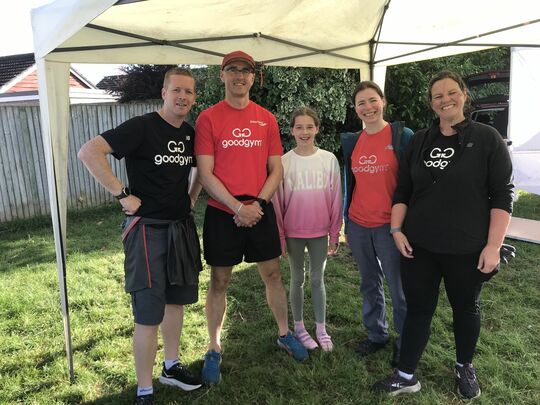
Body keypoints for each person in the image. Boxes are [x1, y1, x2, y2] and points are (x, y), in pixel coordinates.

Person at [372, 71, 514, 399]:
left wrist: (493, 246)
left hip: (467, 247)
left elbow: (503, 194)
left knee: (465, 309)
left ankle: (464, 365)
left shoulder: (487, 138)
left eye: (452, 92)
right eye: (438, 95)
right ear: (431, 103)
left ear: (464, 95)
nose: (445, 99)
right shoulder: (421, 139)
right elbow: (404, 189)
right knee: (418, 309)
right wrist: (396, 229)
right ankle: (406, 374)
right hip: (419, 246)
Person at [78, 67, 203, 405]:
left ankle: (172, 366)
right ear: (163, 92)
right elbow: (89, 152)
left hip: (181, 228)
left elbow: (202, 170)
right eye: (177, 90)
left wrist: (191, 198)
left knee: (176, 302)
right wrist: (122, 194)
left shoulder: (190, 133)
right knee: (148, 312)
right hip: (147, 231)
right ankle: (145, 389)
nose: (183, 97)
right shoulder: (141, 127)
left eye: (189, 92)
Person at [195, 50, 308, 384]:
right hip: (222, 211)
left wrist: (257, 203)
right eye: (233, 69)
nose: (239, 75)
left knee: (273, 275)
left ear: (253, 77)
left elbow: (276, 169)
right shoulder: (208, 118)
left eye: (246, 70)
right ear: (222, 75)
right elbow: (205, 172)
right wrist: (236, 207)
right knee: (219, 281)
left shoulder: (266, 118)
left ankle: (284, 334)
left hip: (259, 208)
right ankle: (214, 348)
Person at [340, 81, 413, 366]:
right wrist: (347, 222)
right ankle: (376, 334)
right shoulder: (353, 141)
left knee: (398, 287)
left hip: (390, 226)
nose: (367, 107)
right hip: (359, 224)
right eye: (361, 103)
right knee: (369, 283)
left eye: (372, 101)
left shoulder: (401, 135)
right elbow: (351, 182)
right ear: (355, 109)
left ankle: (405, 340)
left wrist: (407, 225)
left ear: (383, 101)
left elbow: (412, 182)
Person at [273, 107, 342, 352]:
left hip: (319, 231)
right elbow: (277, 202)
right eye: (299, 127)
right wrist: (280, 236)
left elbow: (336, 198)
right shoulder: (283, 161)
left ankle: (321, 328)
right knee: (297, 279)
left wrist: (335, 233)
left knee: (317, 278)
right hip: (293, 232)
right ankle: (299, 327)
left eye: (309, 127)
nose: (304, 132)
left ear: (317, 129)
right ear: (291, 130)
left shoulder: (328, 159)